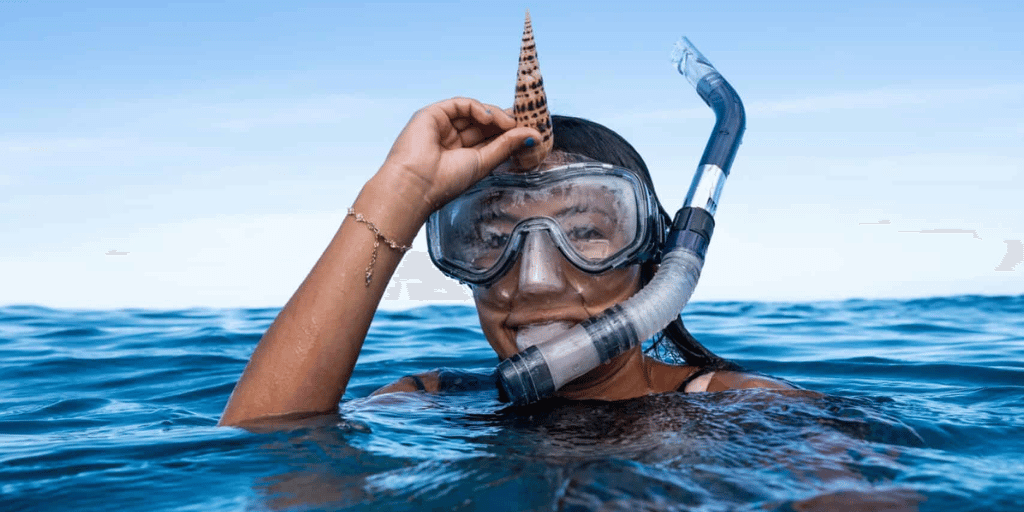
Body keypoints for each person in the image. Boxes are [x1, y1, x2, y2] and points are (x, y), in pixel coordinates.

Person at [219, 97, 791, 427]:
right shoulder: (428, 403)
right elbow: (265, 460)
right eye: (494, 239)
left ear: (658, 258)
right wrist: (399, 193)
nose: (536, 281)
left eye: (587, 232)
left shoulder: (743, 410)